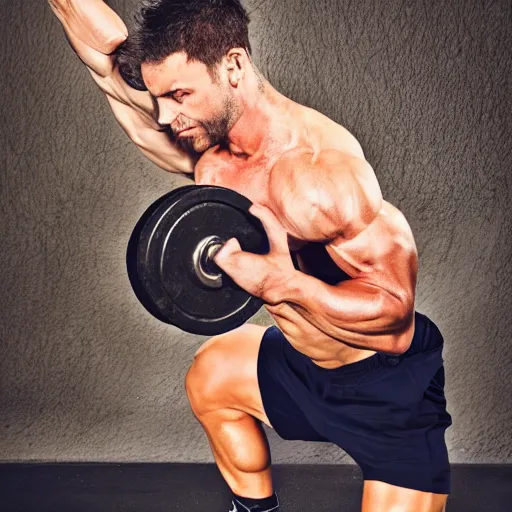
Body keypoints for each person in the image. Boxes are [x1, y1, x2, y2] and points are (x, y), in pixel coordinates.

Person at [47, 1, 453, 510]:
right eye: (160, 97)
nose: (166, 117)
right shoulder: (212, 156)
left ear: (233, 66)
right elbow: (106, 69)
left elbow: (395, 320)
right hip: (303, 365)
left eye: (179, 95)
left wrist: (282, 285)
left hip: (383, 387)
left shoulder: (320, 173)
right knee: (211, 373)